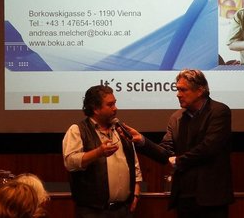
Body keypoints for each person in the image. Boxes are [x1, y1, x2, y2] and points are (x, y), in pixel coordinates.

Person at [121, 69, 233, 218]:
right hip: (184, 197)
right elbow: (165, 153)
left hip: (211, 197)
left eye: (183, 90)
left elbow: (209, 147)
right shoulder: (176, 117)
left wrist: (179, 160)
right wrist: (142, 140)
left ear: (200, 91)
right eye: (177, 89)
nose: (178, 94)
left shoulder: (219, 111)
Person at [62, 85, 143, 218]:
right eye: (110, 105)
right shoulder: (77, 130)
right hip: (93, 212)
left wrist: (136, 192)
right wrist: (98, 152)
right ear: (95, 108)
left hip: (123, 210)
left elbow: (134, 165)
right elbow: (70, 162)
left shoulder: (120, 130)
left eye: (115, 103)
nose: (115, 108)